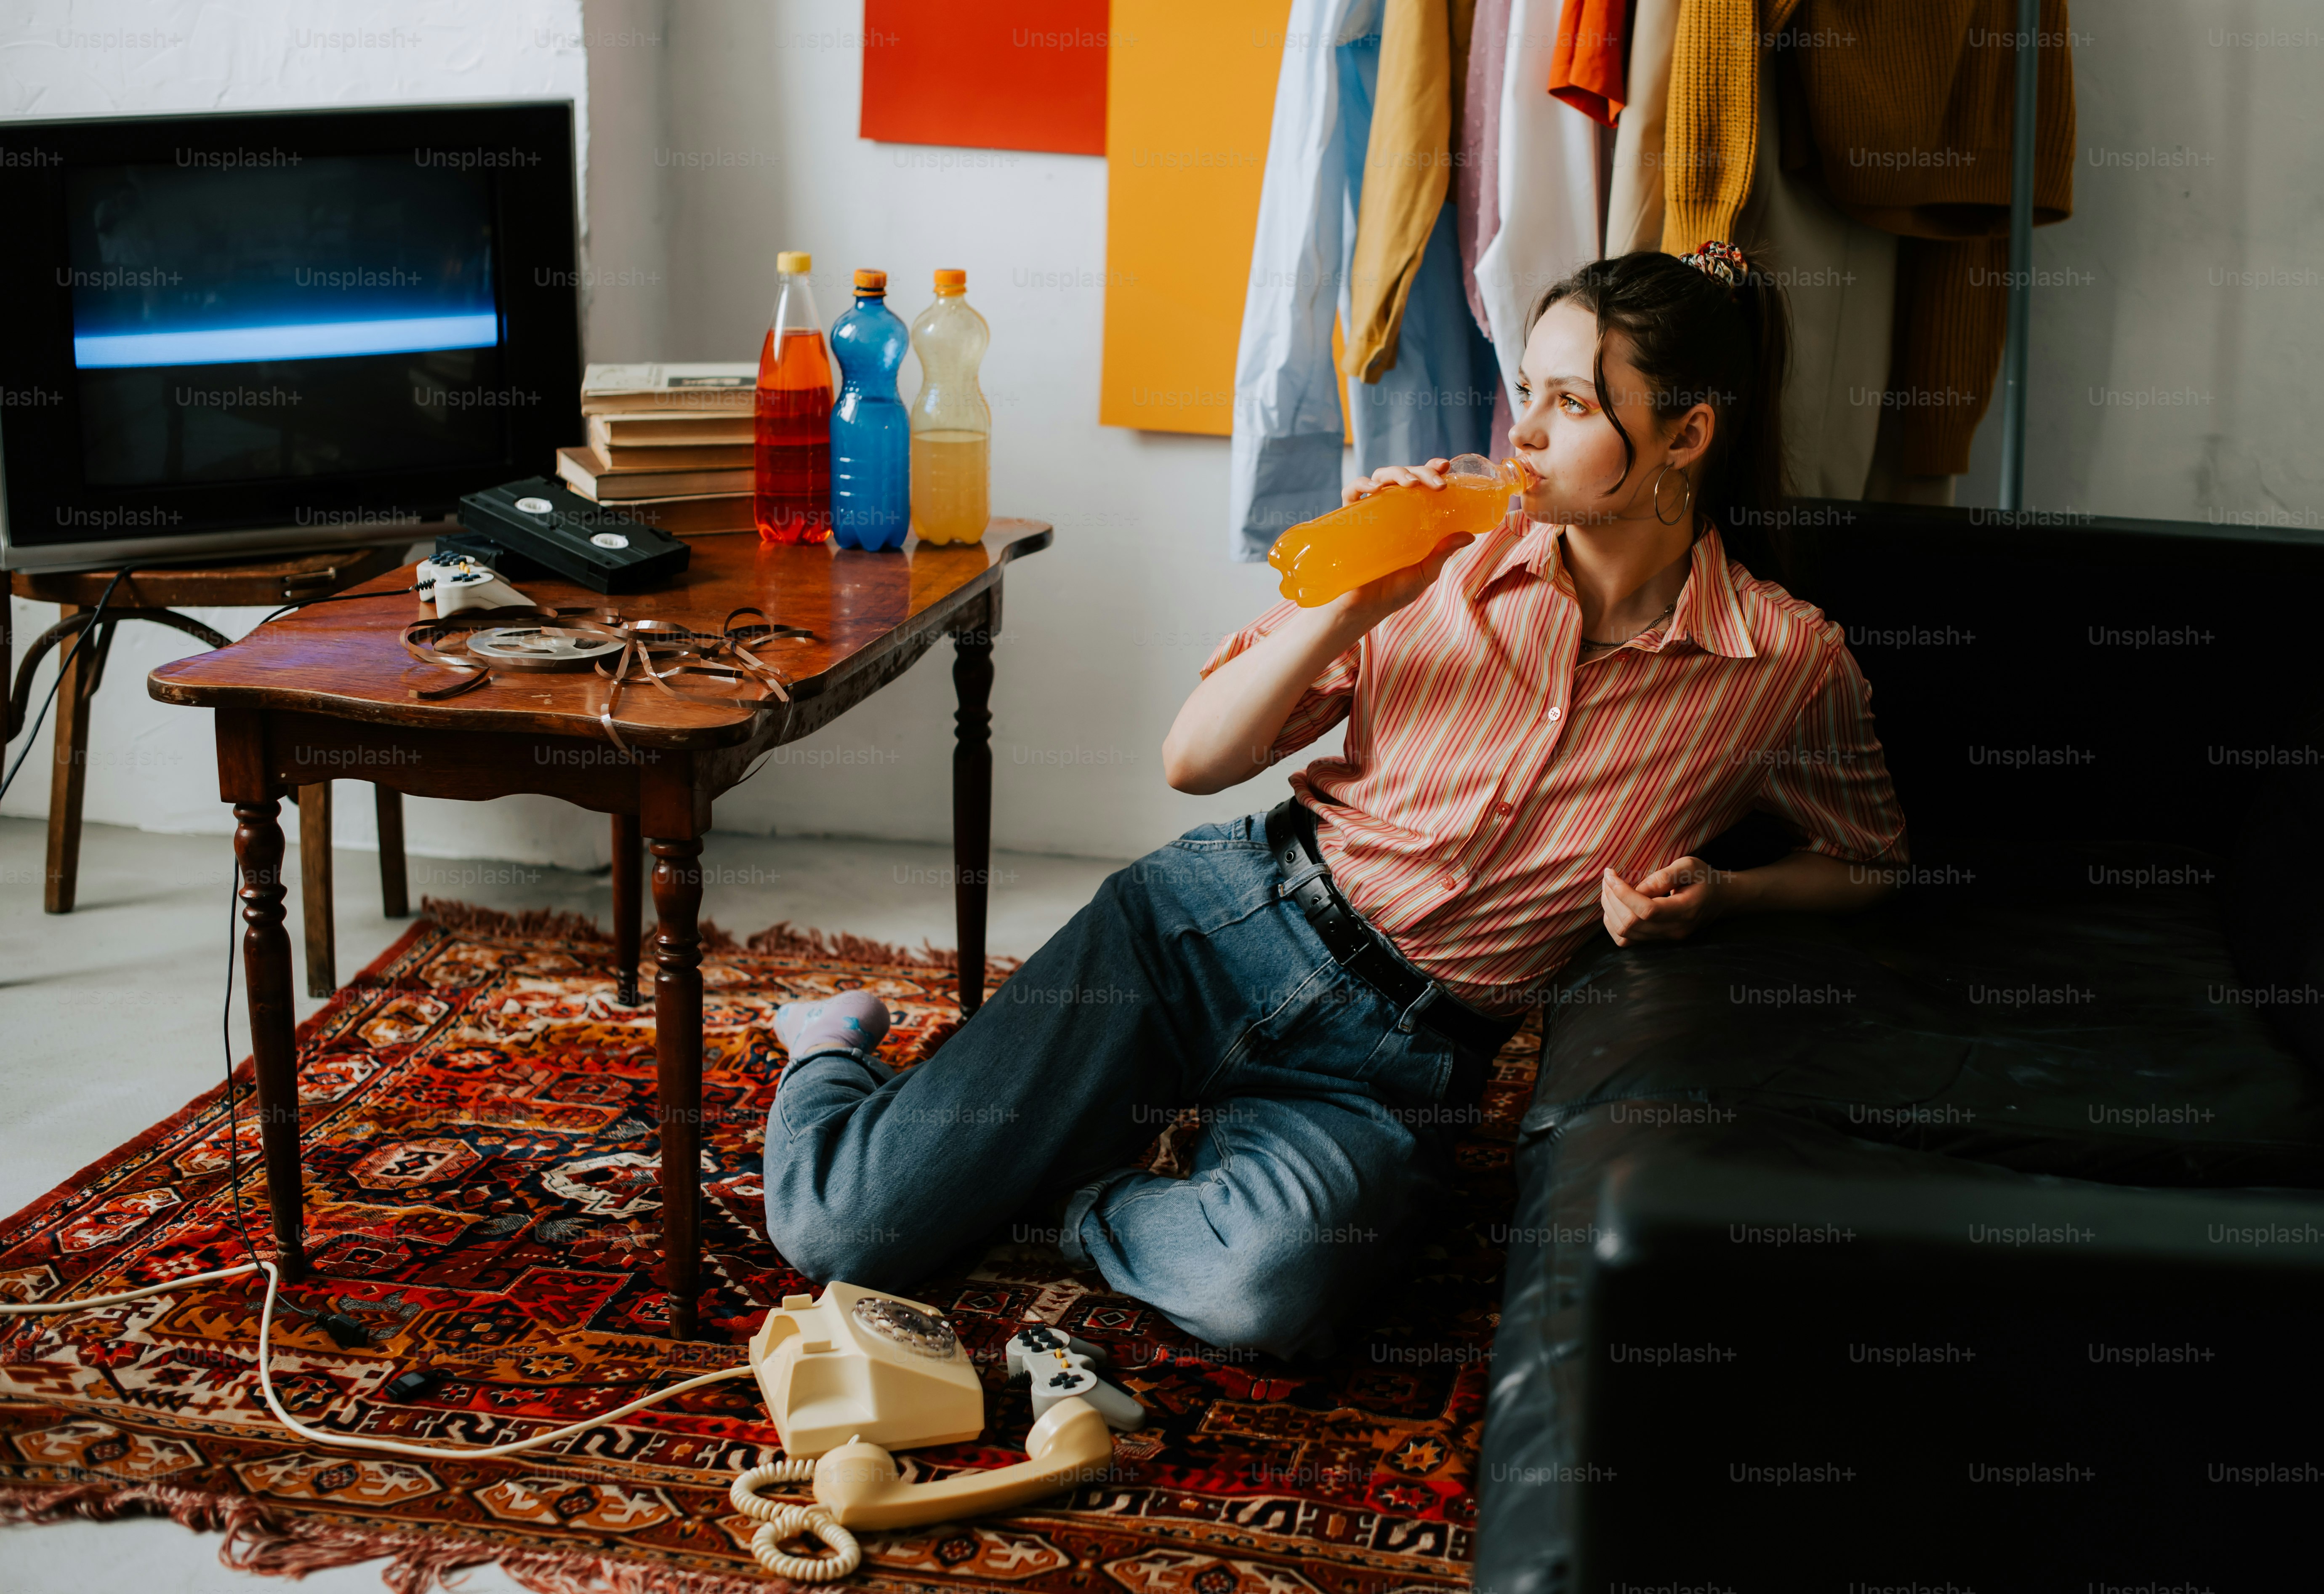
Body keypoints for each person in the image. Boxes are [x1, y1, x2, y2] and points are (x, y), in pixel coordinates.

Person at [762, 244, 1907, 1359]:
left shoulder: (1782, 664)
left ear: (1685, 436)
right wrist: (1355, 603)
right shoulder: (1446, 549)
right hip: (1205, 931)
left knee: (1263, 1294)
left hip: (1392, 1066)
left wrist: (1725, 897)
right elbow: (1193, 760)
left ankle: (1078, 1190)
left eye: (1570, 403)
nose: (1523, 431)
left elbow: (1870, 858)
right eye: (1526, 390)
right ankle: (831, 1048)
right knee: (837, 1228)